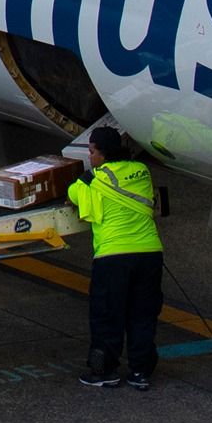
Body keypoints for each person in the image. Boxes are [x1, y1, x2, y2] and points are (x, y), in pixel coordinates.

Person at [70, 126, 163, 389]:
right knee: (143, 314)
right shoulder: (142, 171)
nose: (90, 157)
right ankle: (141, 372)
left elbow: (72, 195)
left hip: (113, 257)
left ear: (102, 154)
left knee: (107, 315)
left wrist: (85, 178)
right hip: (149, 254)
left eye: (91, 152)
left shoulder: (93, 180)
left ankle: (104, 370)